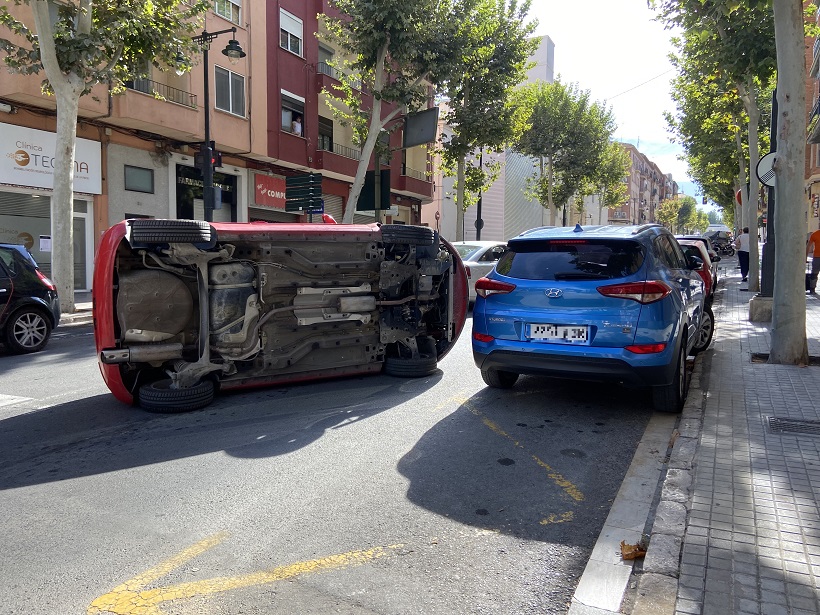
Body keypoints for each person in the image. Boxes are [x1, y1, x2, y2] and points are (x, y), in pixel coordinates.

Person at [807, 221, 820, 294]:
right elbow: (808, 246)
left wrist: (805, 258)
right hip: (817, 257)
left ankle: (812, 289)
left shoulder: (814, 234)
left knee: (814, 273)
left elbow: (808, 246)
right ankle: (812, 288)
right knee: (814, 273)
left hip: (816, 257)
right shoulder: (814, 234)